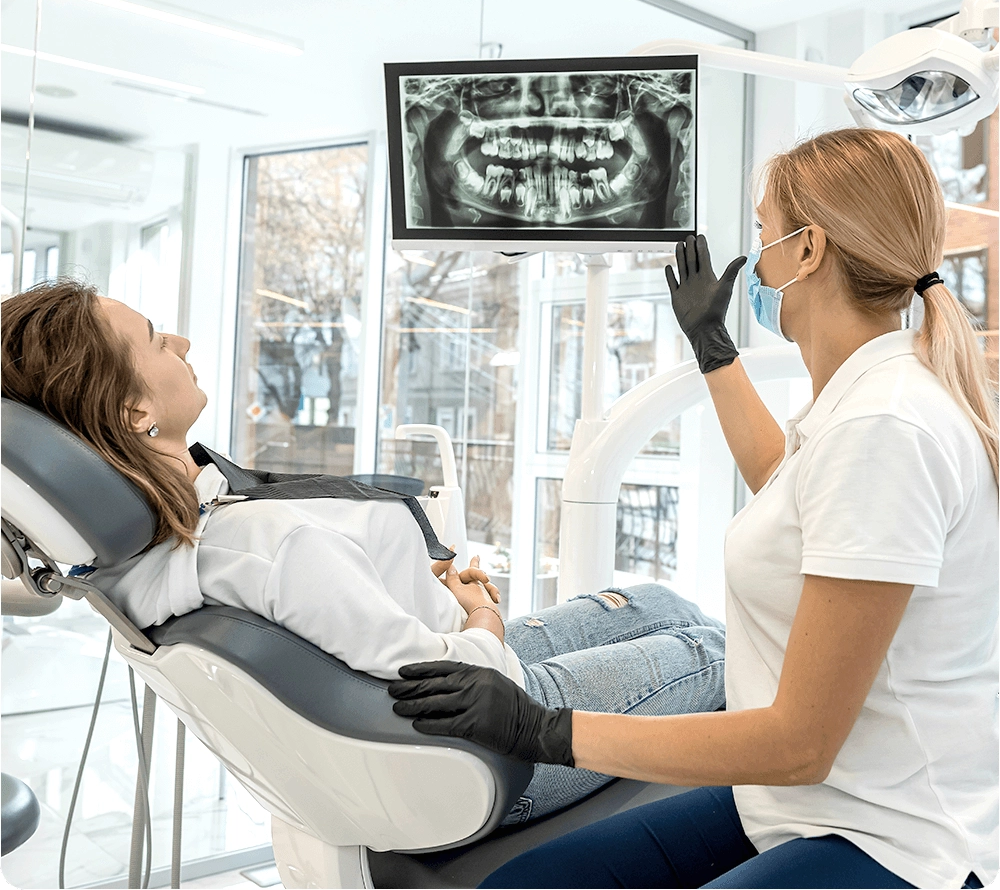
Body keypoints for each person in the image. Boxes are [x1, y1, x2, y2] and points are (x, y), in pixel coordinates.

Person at [389, 128, 998, 888]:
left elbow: (800, 742)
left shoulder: (886, 427)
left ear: (808, 252)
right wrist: (712, 345)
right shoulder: (864, 402)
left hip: (891, 835)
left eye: (764, 233)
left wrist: (542, 730)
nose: (757, 258)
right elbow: (787, 483)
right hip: (799, 800)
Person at [0, 280, 726, 825]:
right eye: (158, 340)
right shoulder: (266, 549)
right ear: (134, 413)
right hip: (490, 738)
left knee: (655, 603)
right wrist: (481, 617)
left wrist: (410, 579)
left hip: (431, 663)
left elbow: (344, 620)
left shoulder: (147, 555)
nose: (181, 344)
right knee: (711, 649)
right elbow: (462, 676)